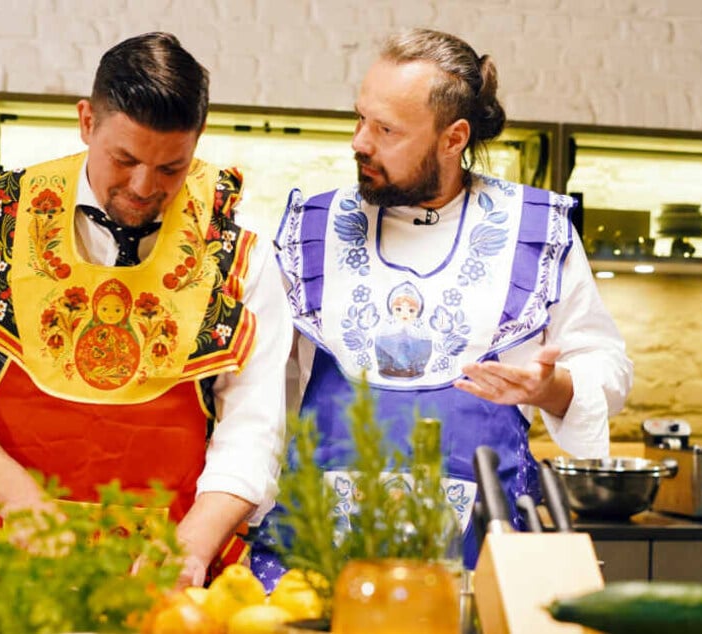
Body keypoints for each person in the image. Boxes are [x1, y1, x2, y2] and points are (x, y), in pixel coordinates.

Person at [0, 31, 292, 588]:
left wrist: (192, 547)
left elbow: (255, 430)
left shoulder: (235, 255)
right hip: (7, 563)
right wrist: (27, 508)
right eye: (124, 159)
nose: (142, 187)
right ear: (87, 121)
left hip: (164, 581)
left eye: (170, 169)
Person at [253, 27, 633, 586]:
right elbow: (257, 395)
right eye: (360, 118)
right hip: (312, 566)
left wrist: (551, 388)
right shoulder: (310, 229)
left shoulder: (534, 230)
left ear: (453, 138)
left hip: (483, 557)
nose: (360, 142)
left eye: (386, 130)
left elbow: (607, 364)